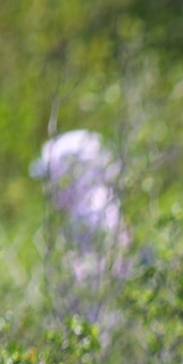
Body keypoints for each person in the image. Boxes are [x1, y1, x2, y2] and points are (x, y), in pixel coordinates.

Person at [28, 130, 129, 305]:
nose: (49, 188)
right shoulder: (105, 205)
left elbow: (87, 282)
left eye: (52, 178)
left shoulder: (90, 214)